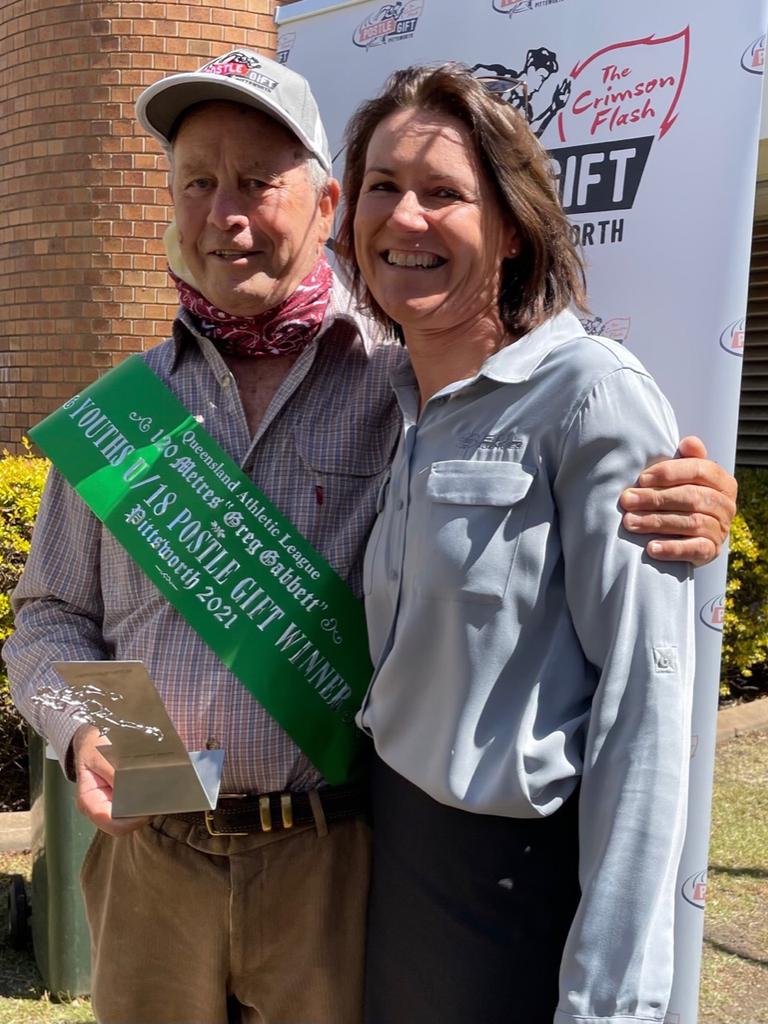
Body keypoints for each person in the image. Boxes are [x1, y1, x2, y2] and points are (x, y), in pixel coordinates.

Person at [3, 50, 735, 1024]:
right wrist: (88, 727)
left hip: (339, 865)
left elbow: (553, 466)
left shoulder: (406, 379)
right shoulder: (118, 416)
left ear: (325, 204)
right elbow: (48, 617)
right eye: (198, 183)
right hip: (152, 868)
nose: (227, 213)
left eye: (259, 182)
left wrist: (687, 500)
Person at [333, 64, 706, 1024]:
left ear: (510, 228)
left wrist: (610, 1000)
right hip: (399, 864)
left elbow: (644, 714)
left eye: (445, 191)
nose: (404, 217)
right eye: (383, 185)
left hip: (516, 895)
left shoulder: (590, 398)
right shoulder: (394, 402)